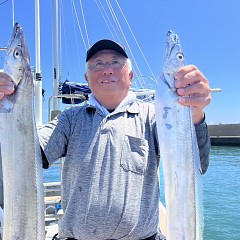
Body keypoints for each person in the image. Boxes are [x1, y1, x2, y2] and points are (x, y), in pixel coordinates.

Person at [0, 39, 211, 240]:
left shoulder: (153, 117)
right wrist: (6, 111)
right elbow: (24, 155)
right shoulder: (69, 119)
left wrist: (195, 113)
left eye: (115, 62)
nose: (107, 69)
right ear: (87, 78)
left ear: (130, 75)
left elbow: (196, 164)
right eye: (98, 64)